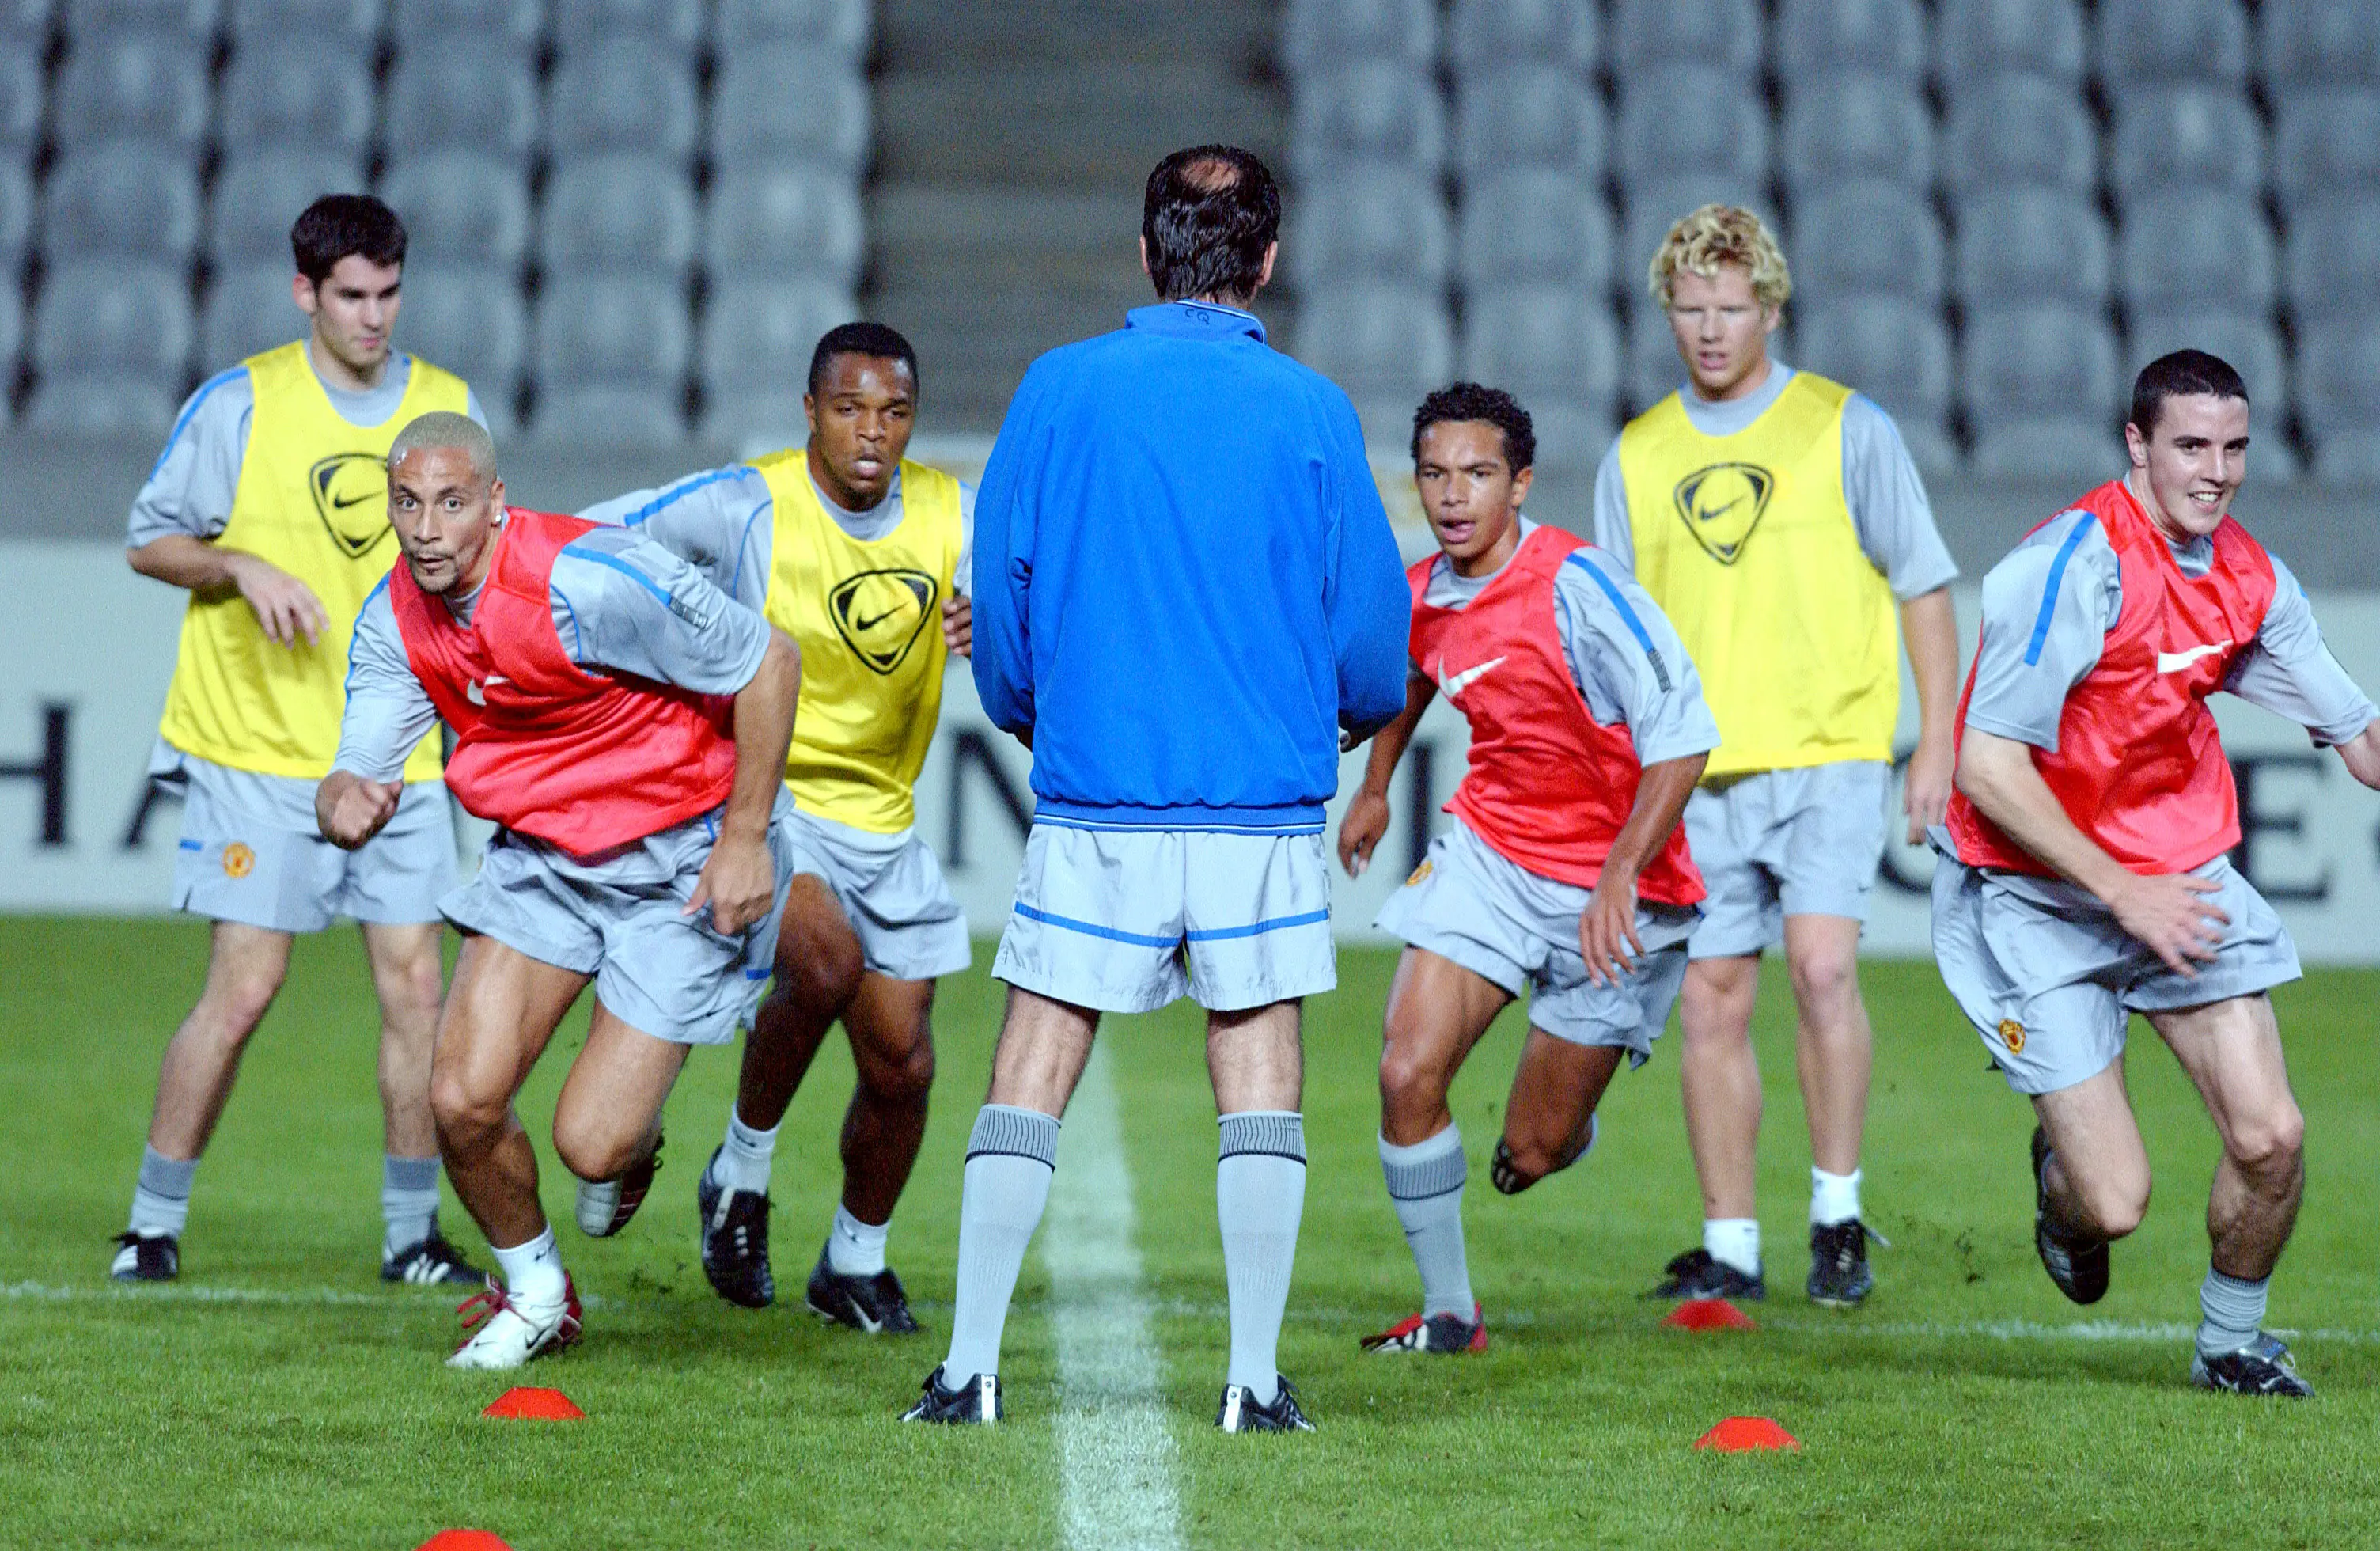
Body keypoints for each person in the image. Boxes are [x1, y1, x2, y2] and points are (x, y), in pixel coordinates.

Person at [901, 145, 1409, 1430]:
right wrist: (1338, 719)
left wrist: (1037, 722)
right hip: (1258, 794)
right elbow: (1369, 632)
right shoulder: (1310, 410)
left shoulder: (1058, 390)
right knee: (1259, 1064)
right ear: (1268, 262)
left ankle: (968, 1371)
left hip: (1098, 788)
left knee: (1036, 1047)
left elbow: (1001, 602)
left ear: (1144, 251)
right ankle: (1248, 1383)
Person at [1934, 351, 2379, 1396]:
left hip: (2181, 880)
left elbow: (2359, 734)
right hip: (2034, 898)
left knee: (2273, 1138)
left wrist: (2148, 885)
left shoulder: (2253, 577)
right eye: (2190, 445)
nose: (2216, 471)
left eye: (2234, 448)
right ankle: (2060, 1186)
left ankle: (2231, 1344)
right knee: (2115, 1202)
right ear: (2137, 445)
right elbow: (1986, 766)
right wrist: (2119, 889)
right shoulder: (2063, 569)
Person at [318, 413, 805, 1369]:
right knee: (458, 1097)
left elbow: (768, 662)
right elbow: (357, 764)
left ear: (495, 503)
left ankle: (637, 1138)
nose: (425, 527)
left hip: (680, 857)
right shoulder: (393, 619)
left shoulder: (591, 576)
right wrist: (342, 794)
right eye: (407, 503)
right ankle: (538, 1292)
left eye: (451, 502)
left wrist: (746, 838)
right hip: (541, 860)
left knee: (592, 1144)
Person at [113, 194, 491, 1287]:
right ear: (306, 294)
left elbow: (485, 549)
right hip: (255, 746)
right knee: (244, 988)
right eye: (352, 297)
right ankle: (150, 1222)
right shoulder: (242, 403)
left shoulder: (446, 405)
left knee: (417, 990)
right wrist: (238, 565)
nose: (374, 317)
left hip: (400, 752)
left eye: (389, 294)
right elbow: (151, 542)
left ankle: (411, 1239)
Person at [1594, 204, 1962, 1306]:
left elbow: (1925, 584)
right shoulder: (1640, 453)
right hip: (1697, 776)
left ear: (1771, 306)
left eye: (1731, 308)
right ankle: (1733, 1245)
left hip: (1831, 750)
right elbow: (1611, 633)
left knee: (1823, 968)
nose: (1710, 330)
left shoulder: (1846, 429)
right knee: (1708, 998)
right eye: (1691, 310)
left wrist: (1934, 742)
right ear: (1668, 311)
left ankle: (1838, 1218)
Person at [578, 322, 972, 1332]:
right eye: (848, 409)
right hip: (770, 808)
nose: (871, 433)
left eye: (892, 412)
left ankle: (854, 1260)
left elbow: (1038, 619)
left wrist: (996, 632)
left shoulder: (949, 510)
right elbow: (586, 539)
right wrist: (679, 623)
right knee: (825, 963)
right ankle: (741, 1175)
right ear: (810, 413)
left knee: (903, 1061)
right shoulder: (744, 501)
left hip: (884, 818)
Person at [1338, 384, 1719, 1353]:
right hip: (1492, 857)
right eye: (1434, 473)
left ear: (1521, 484)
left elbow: (1682, 738)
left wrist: (1618, 874)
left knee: (1531, 1151)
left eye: (1477, 473)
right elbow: (1412, 675)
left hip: (1620, 890)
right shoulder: (1421, 590)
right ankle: (1450, 1315)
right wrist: (1377, 786)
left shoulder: (1579, 588)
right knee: (1404, 1068)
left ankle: (1561, 1124)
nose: (1453, 495)